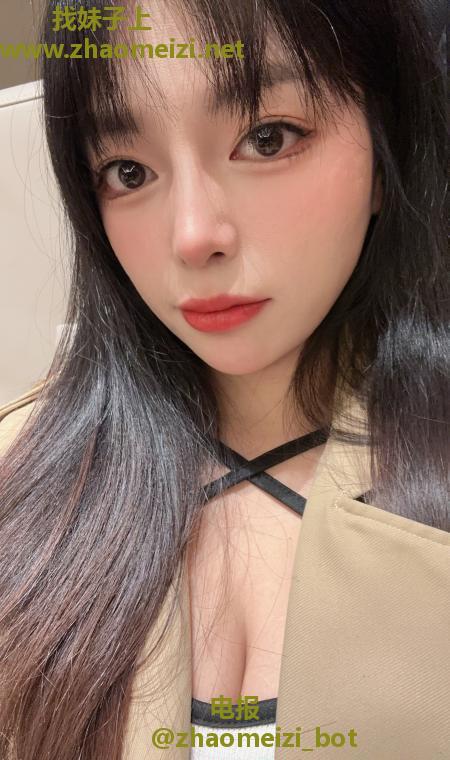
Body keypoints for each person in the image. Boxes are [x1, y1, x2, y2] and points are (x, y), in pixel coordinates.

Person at [0, 1, 448, 758]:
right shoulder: (16, 473)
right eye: (129, 171)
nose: (193, 235)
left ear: (385, 149)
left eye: (267, 138)